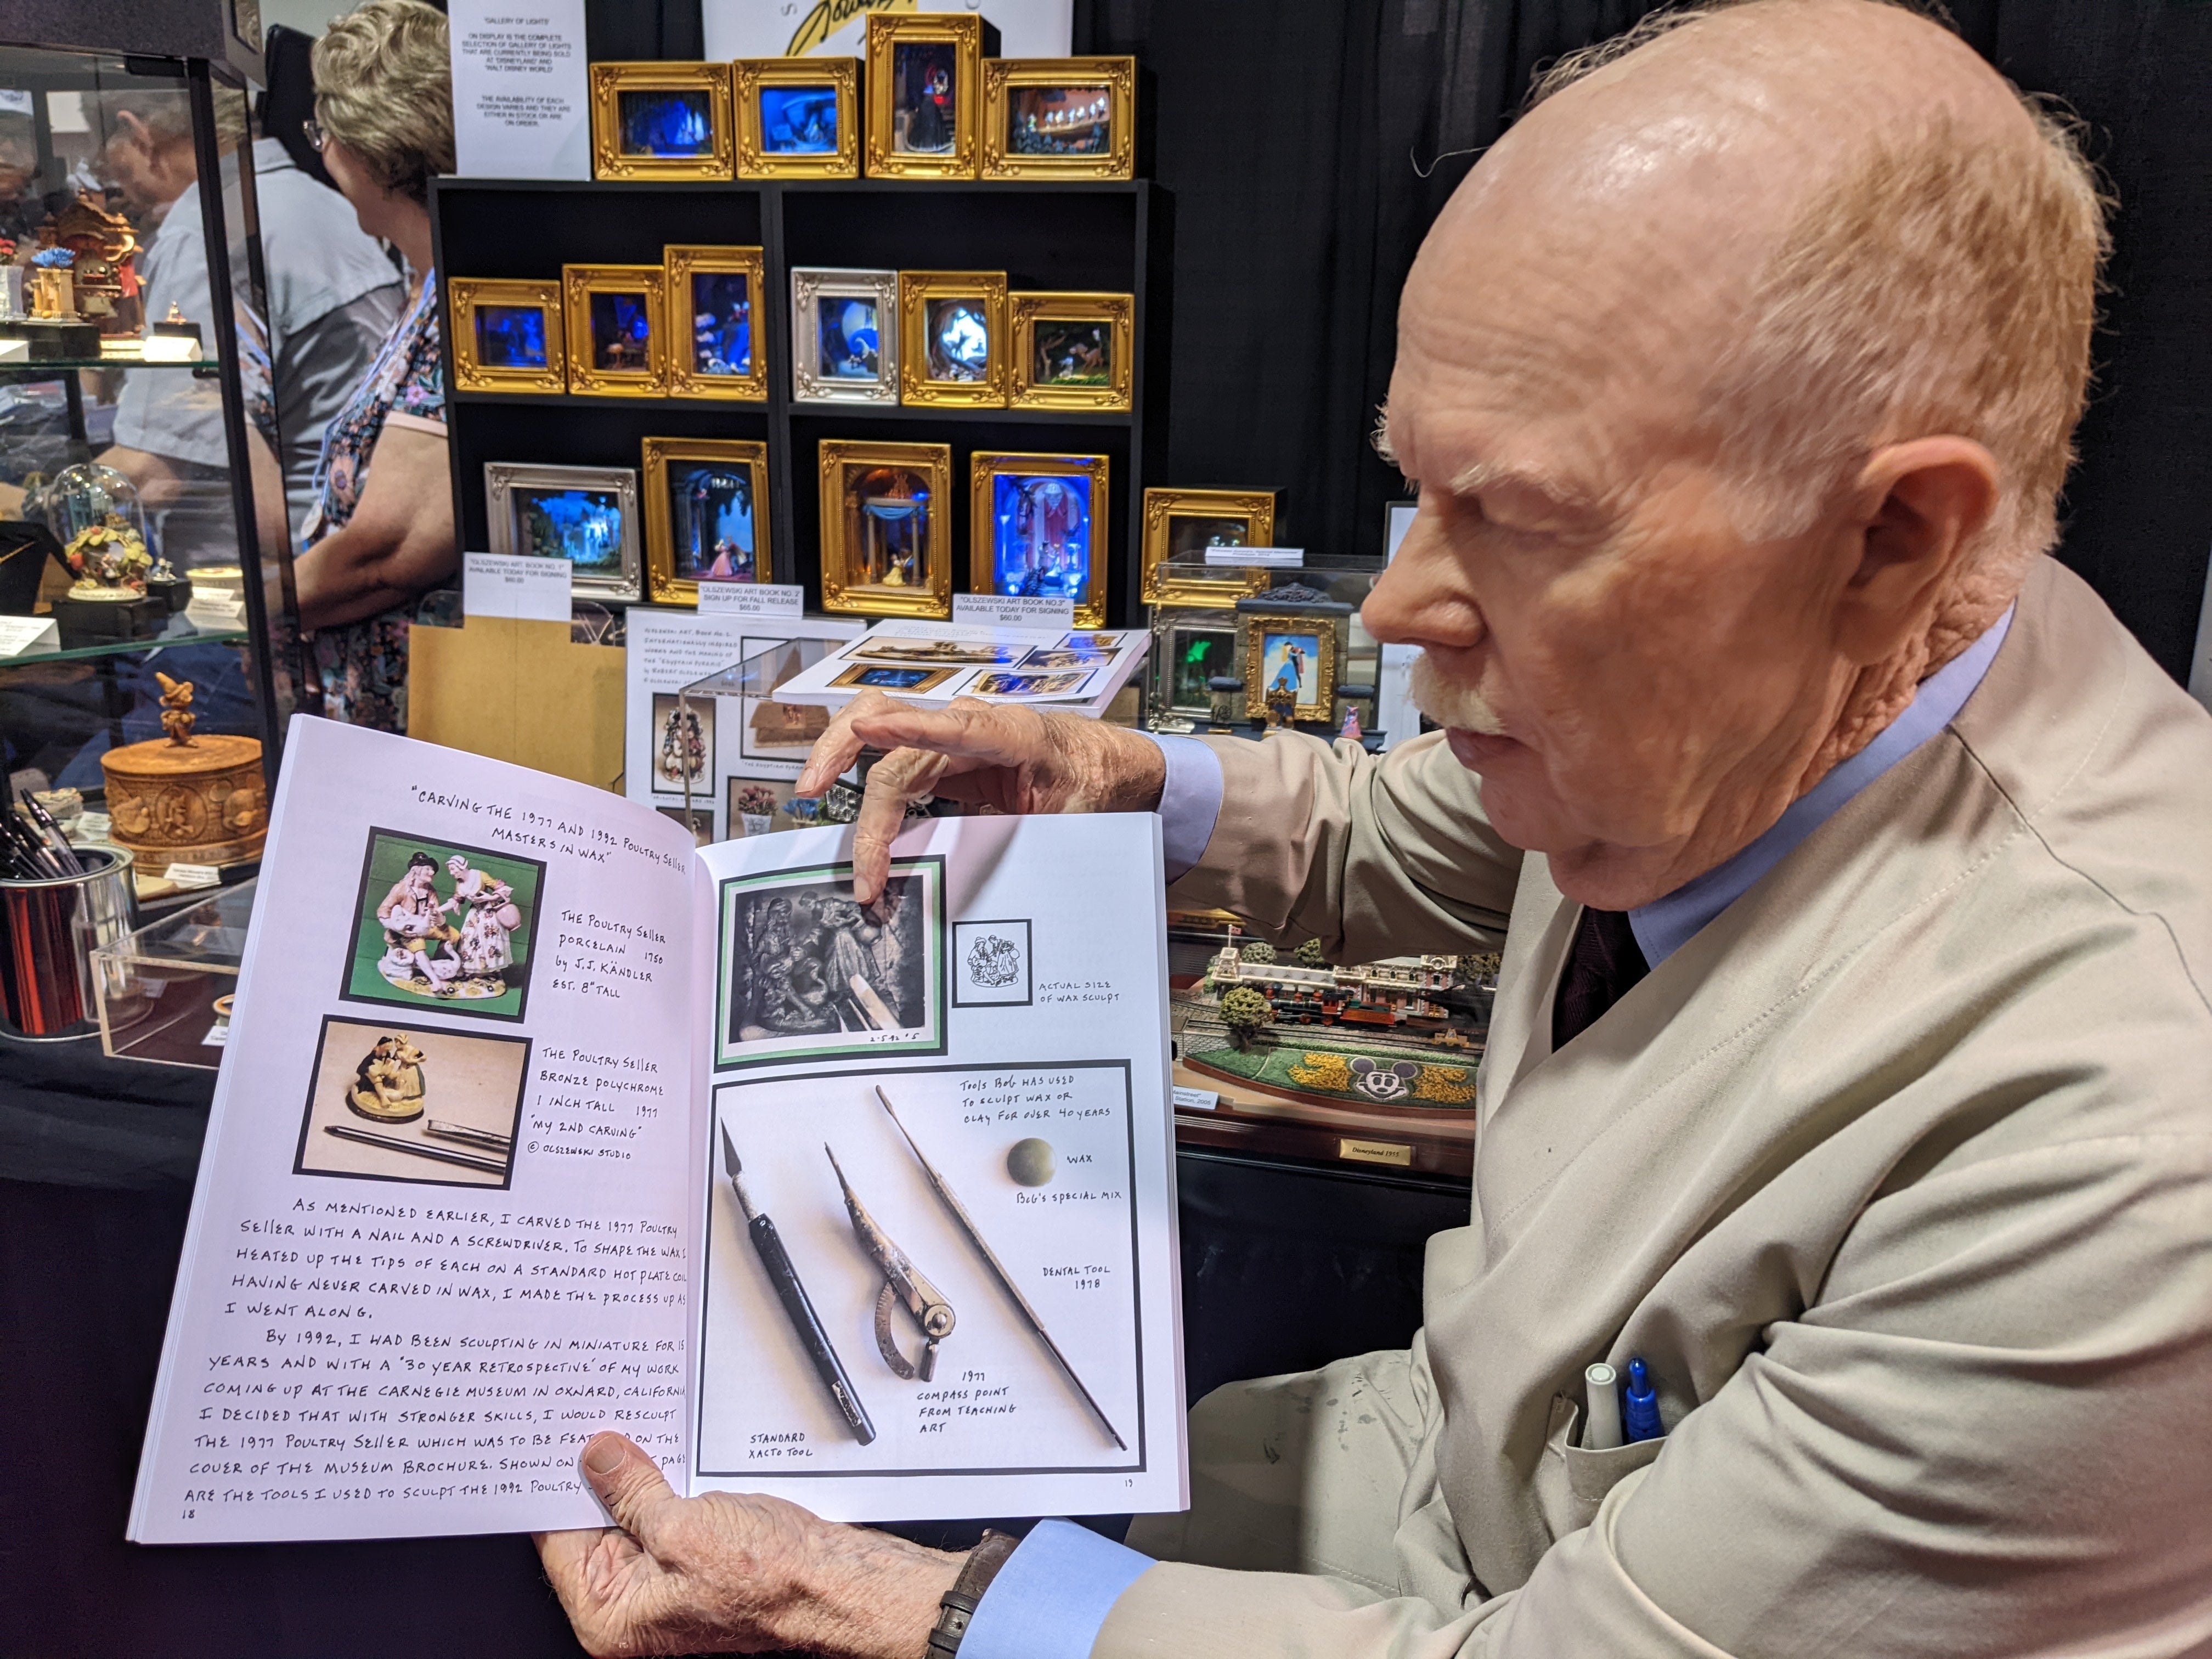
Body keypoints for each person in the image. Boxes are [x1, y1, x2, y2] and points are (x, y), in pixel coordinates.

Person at [534, 1, 2212, 1655]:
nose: (1400, 608)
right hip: (1443, 1473)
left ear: (1894, 542)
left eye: (1519, 518)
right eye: (1418, 490)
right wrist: (1108, 771)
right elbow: (1394, 834)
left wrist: (890, 1608)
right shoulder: (1779, 701)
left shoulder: (2125, 1153)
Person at [93, 82, 402, 565]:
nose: (122, 194)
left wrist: (32, 500)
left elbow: (152, 473)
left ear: (139, 135)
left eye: (113, 171)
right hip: (343, 542)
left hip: (261, 583)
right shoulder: (319, 201)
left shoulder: (204, 231)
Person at [294, 0, 458, 730]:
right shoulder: (430, 287)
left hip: (424, 714)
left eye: (322, 131)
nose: (321, 151)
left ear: (367, 146)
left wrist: (247, 600)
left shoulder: (463, 302)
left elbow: (394, 548)